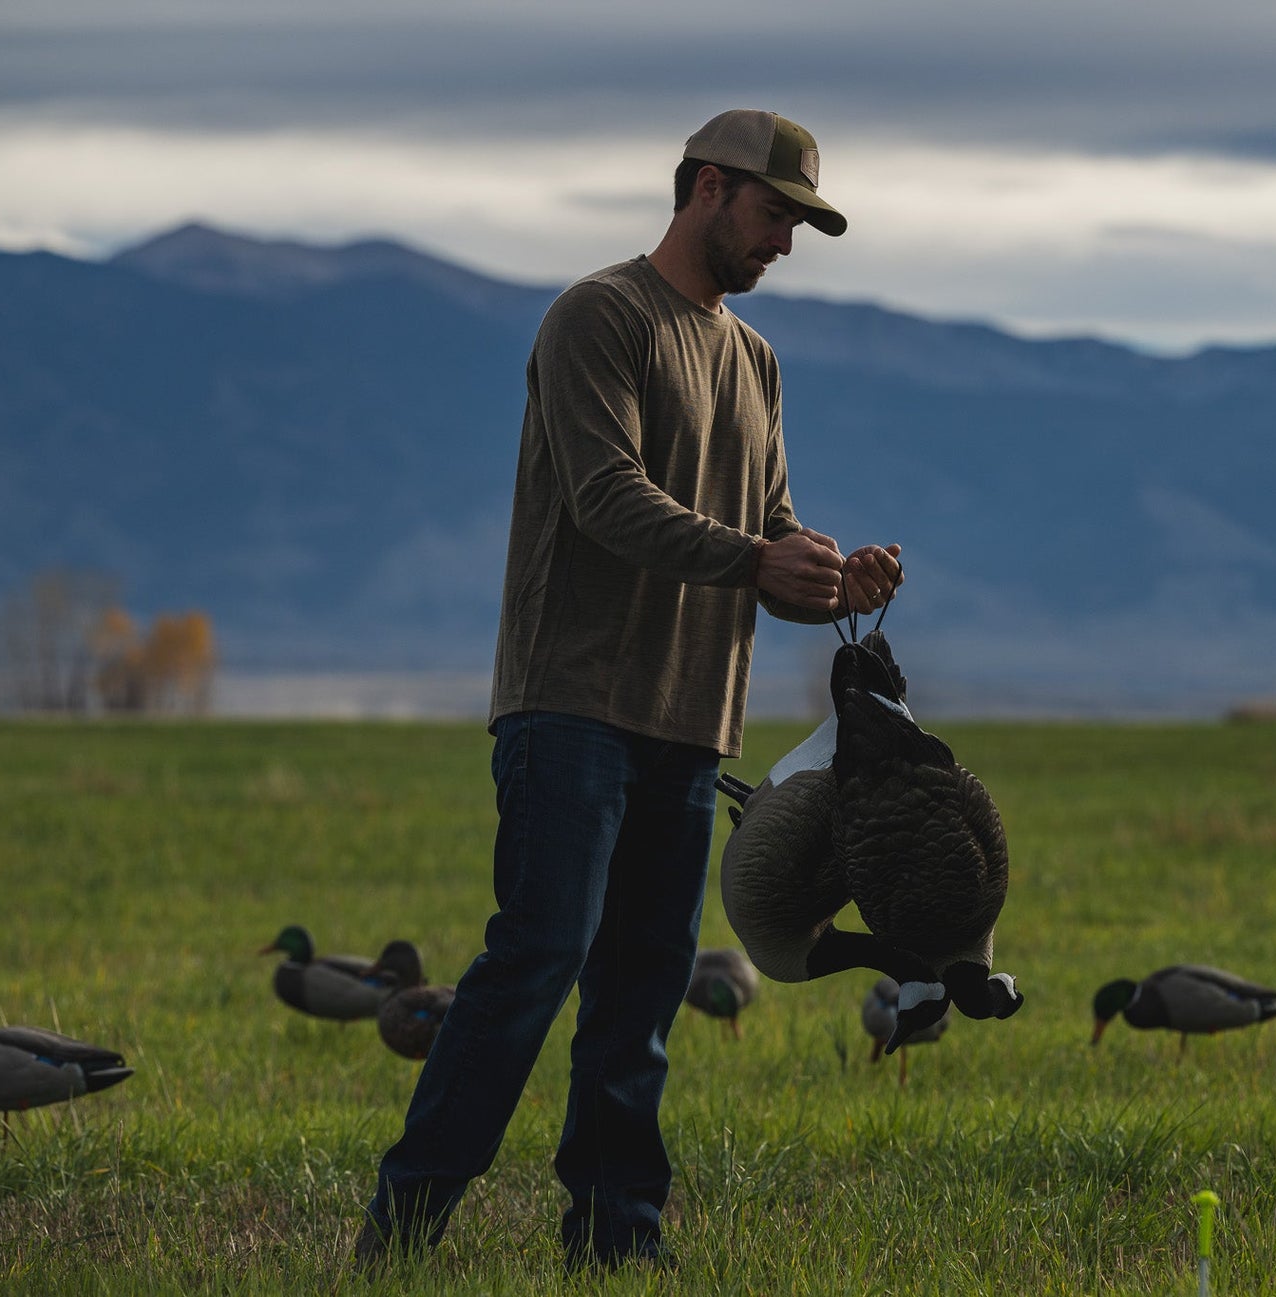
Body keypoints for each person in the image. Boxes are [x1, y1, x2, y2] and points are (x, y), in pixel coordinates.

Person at [355, 108, 906, 1271]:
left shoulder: (753, 360)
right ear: (705, 188)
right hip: (570, 708)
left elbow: (763, 539)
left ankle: (616, 1243)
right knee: (532, 965)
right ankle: (398, 1238)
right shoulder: (595, 317)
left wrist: (825, 573)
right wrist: (757, 556)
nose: (784, 247)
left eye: (800, 226)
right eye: (773, 216)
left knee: (641, 994)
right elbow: (607, 498)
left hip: (692, 723)